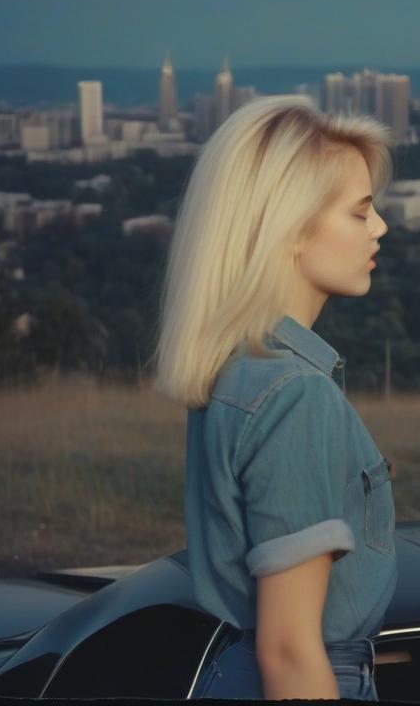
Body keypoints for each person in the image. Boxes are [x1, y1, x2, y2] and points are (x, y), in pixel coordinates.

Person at [154, 95, 395, 701]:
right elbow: (289, 648)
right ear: (288, 227)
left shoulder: (241, 372)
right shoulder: (293, 395)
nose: (380, 227)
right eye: (360, 211)